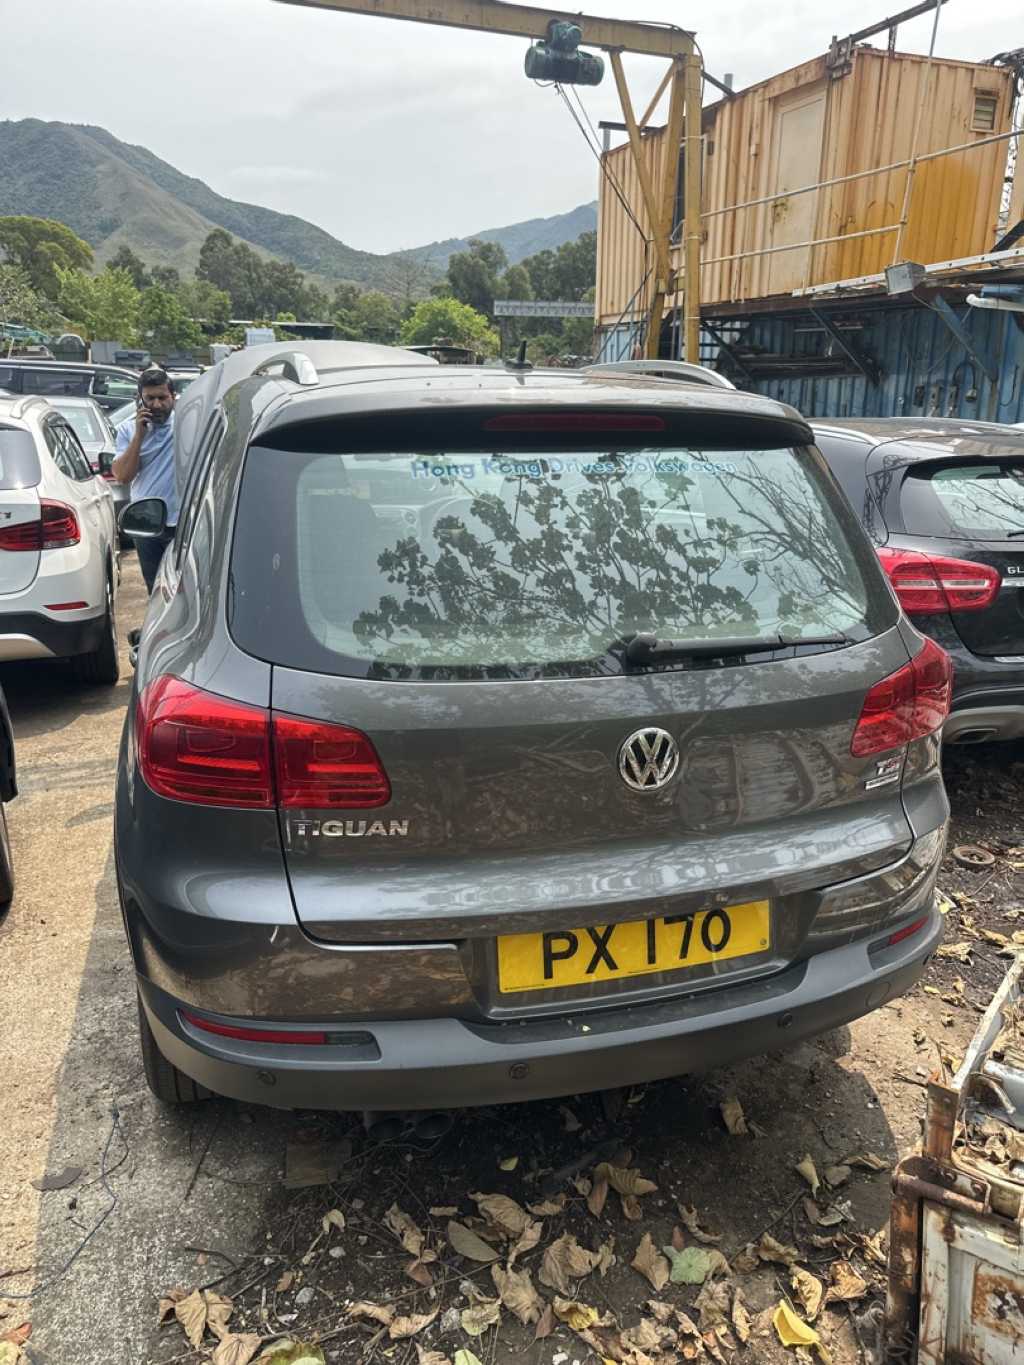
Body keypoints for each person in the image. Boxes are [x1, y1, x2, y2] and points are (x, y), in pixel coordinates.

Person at [111, 366, 178, 593]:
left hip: (183, 523)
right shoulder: (127, 430)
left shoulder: (185, 424)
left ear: (173, 397)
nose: (157, 405)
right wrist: (139, 436)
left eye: (162, 398)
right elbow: (122, 476)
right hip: (147, 523)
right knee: (155, 590)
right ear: (140, 399)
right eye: (150, 398)